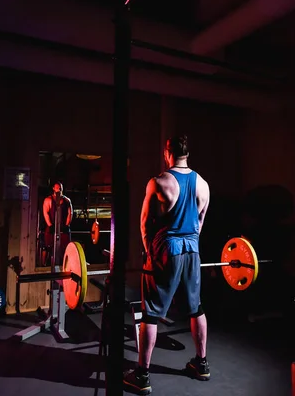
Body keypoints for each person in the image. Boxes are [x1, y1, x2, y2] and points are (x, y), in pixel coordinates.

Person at [123, 135, 211, 395]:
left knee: (150, 313)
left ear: (167, 153)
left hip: (166, 250)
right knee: (197, 309)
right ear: (188, 153)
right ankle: (202, 364)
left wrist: (151, 252)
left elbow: (144, 222)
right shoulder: (203, 185)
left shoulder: (159, 182)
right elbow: (200, 225)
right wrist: (190, 245)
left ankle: (142, 375)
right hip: (193, 250)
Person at [42, 181, 73, 266]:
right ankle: (43, 265)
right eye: (57, 187)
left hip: (63, 228)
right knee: (47, 246)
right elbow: (45, 212)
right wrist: (50, 225)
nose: (59, 188)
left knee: (66, 248)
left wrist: (66, 225)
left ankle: (65, 266)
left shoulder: (67, 200)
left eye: (60, 187)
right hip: (52, 227)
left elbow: (70, 213)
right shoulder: (48, 200)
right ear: (53, 188)